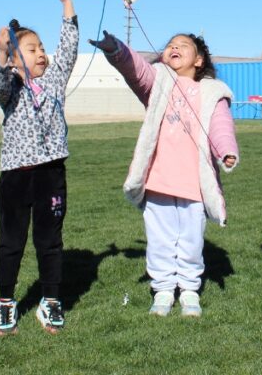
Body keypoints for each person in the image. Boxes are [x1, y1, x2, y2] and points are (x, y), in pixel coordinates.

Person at [91, 30, 238, 317]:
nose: (174, 48)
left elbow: (221, 127)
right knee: (159, 240)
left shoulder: (213, 91)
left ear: (199, 60)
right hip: (159, 180)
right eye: (170, 45)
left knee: (191, 240)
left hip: (193, 184)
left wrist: (226, 151)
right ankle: (162, 291)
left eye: (183, 46)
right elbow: (135, 69)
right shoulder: (157, 81)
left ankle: (190, 291)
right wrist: (114, 48)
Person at [0, 0, 78, 336]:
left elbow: (68, 46)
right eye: (32, 48)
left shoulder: (53, 81)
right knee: (11, 241)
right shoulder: (11, 87)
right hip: (16, 176)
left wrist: (67, 3)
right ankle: (7, 302)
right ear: (14, 59)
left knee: (49, 239)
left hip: (51, 173)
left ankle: (50, 300)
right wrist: (4, 51)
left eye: (42, 47)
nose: (41, 53)